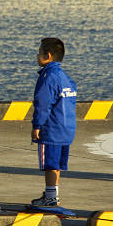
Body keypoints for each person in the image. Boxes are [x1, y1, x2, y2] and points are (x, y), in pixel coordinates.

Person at [30, 37, 77, 207]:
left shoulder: (48, 76)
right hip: (67, 129)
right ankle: (53, 195)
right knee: (56, 164)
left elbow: (43, 104)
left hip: (51, 129)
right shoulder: (65, 77)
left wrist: (37, 126)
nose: (37, 55)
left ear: (48, 55)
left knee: (49, 164)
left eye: (39, 52)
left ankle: (50, 198)